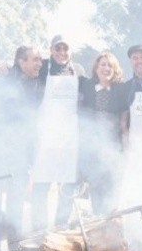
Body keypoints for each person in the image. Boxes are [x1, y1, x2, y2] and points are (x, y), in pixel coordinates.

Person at [0, 46, 44, 251]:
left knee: (16, 202)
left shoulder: (36, 84)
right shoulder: (2, 78)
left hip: (21, 153)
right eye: (35, 60)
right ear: (21, 62)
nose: (39, 64)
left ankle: (15, 247)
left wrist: (31, 157)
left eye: (40, 60)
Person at [30, 35, 86, 231]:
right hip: (45, 137)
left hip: (69, 139)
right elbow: (22, 71)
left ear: (71, 51)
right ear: (51, 50)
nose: (62, 53)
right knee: (41, 188)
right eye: (57, 49)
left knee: (66, 189)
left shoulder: (78, 70)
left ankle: (60, 230)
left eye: (65, 49)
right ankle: (39, 231)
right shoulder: (42, 68)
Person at [78, 51, 129, 216]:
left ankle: (112, 222)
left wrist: (125, 145)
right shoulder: (86, 86)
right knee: (96, 186)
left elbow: (124, 119)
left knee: (113, 187)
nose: (106, 68)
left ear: (115, 70)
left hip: (113, 146)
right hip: (92, 146)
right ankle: (98, 221)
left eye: (110, 66)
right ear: (96, 68)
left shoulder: (121, 89)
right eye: (103, 65)